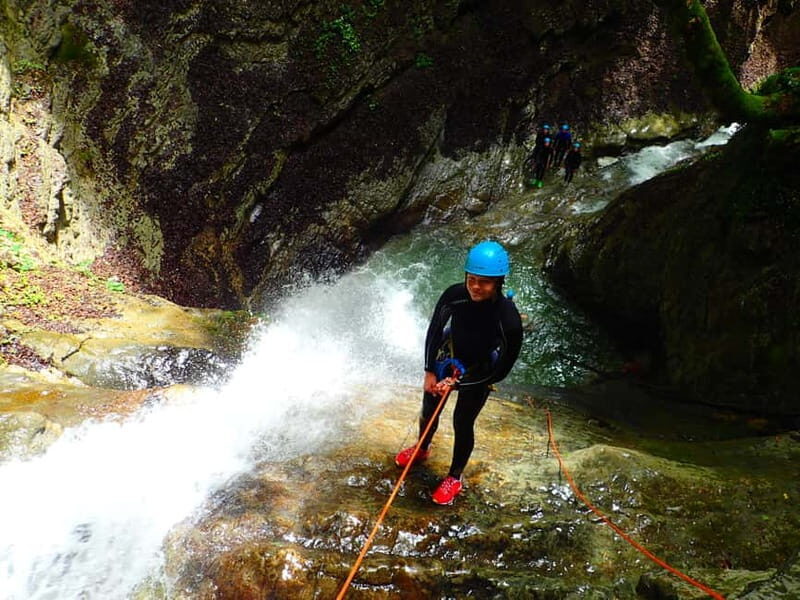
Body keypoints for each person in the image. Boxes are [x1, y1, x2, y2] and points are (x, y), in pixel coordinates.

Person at [394, 241, 524, 505]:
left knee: (462, 421)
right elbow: (434, 331)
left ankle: (455, 476)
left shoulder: (508, 319)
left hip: (481, 366)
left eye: (484, 282)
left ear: (498, 282)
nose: (476, 287)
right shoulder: (455, 295)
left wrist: (458, 385)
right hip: (449, 350)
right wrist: (430, 371)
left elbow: (501, 371)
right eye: (471, 279)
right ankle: (422, 448)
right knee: (429, 407)